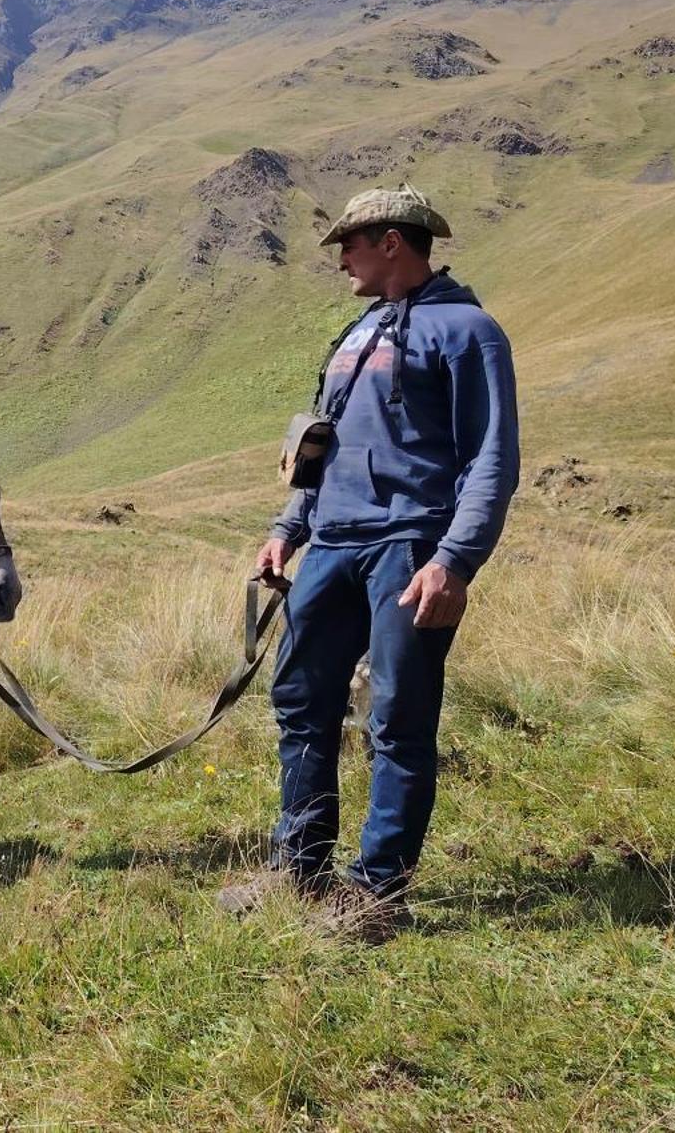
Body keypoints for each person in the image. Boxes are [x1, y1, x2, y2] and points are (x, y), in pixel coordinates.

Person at [218, 183, 519, 943]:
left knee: (397, 717)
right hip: (331, 546)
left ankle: (377, 893)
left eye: (349, 243)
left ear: (393, 241)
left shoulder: (468, 330)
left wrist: (454, 560)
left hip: (409, 548)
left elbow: (492, 459)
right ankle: (300, 867)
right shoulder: (357, 331)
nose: (340, 257)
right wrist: (288, 526)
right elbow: (318, 442)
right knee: (301, 701)